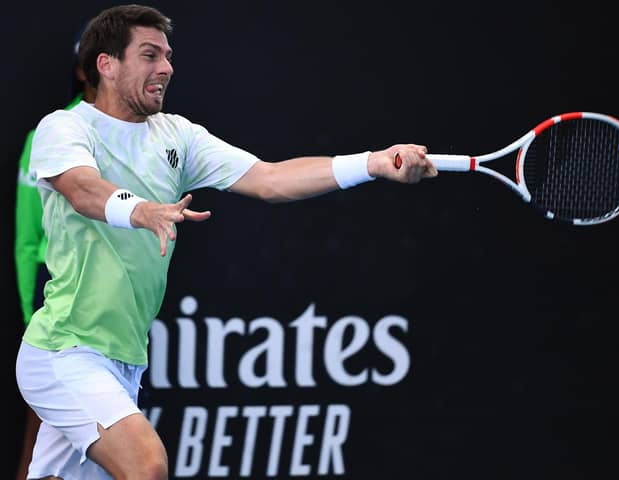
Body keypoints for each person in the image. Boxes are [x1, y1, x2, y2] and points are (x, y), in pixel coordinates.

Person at [14, 4, 437, 479]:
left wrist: (374, 163)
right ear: (106, 64)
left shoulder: (178, 136)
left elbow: (270, 178)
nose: (167, 68)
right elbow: (82, 189)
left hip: (123, 358)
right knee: (146, 466)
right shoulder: (65, 127)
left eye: (168, 56)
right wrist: (143, 209)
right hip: (64, 351)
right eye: (150, 55)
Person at [13, 22, 96, 480]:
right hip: (58, 289)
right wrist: (31, 311)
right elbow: (28, 239)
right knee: (45, 422)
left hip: (112, 302)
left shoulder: (144, 137)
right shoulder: (46, 136)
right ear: (83, 70)